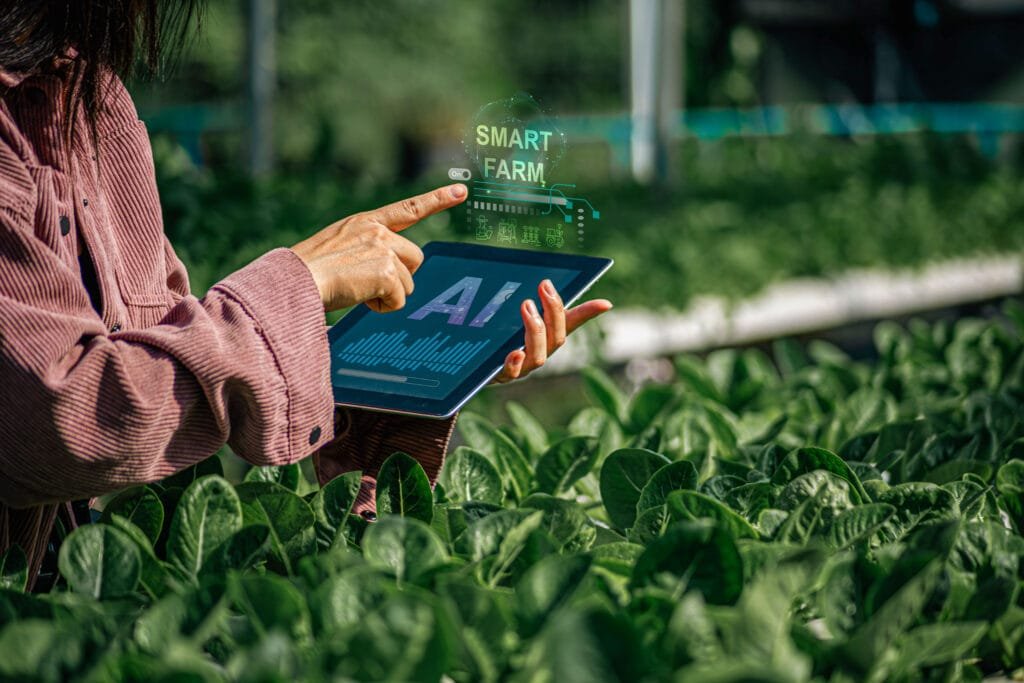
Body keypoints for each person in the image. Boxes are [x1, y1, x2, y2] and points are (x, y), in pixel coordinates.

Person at [0, 1, 612, 590]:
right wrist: (300, 283)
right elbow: (66, 421)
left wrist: (401, 382)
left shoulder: (92, 98)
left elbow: (162, 374)